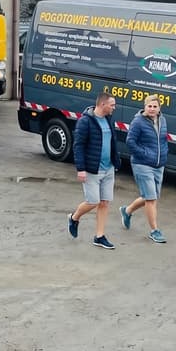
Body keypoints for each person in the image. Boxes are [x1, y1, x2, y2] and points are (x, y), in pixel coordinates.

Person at [67, 93, 121, 249]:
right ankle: (74, 217)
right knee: (93, 201)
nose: (114, 107)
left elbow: (112, 142)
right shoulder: (85, 121)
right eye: (112, 104)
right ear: (102, 104)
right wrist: (81, 169)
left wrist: (115, 161)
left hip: (109, 168)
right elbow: (78, 146)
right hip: (92, 169)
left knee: (104, 202)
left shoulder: (109, 119)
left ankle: (99, 236)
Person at [122, 95, 169, 244]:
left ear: (159, 108)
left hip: (158, 165)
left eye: (155, 106)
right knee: (151, 198)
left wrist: (164, 154)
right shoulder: (138, 122)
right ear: (145, 107)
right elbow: (130, 141)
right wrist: (145, 154)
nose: (152, 109)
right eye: (149, 106)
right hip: (142, 164)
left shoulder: (162, 120)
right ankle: (154, 231)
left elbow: (163, 140)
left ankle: (127, 211)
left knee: (149, 196)